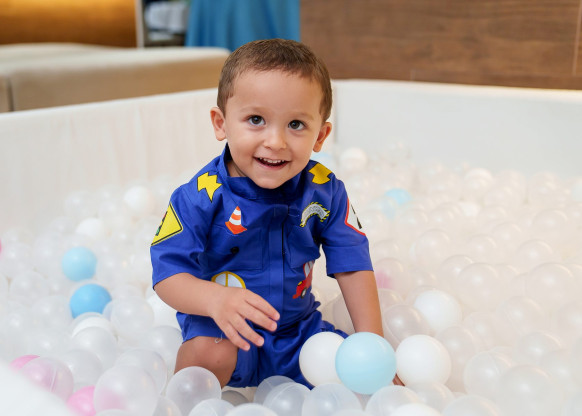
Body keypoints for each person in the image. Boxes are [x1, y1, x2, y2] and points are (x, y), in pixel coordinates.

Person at [150, 38, 383, 388]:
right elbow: (168, 273)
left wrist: (373, 347)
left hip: (298, 332)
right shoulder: (199, 197)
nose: (276, 142)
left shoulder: (326, 191)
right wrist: (214, 300)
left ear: (321, 135)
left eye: (296, 125)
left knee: (345, 366)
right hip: (222, 327)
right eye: (256, 119)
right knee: (208, 355)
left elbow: (353, 264)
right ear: (221, 124)